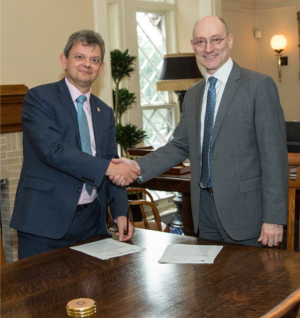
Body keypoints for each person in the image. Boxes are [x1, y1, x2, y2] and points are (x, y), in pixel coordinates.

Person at [111, 16, 288, 247]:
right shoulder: (194, 94)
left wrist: (273, 218)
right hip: (204, 212)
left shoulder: (258, 86)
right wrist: (136, 167)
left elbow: (274, 157)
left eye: (216, 40)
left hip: (247, 215)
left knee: (250, 283)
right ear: (193, 45)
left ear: (230, 41)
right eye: (201, 42)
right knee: (211, 282)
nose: (208, 48)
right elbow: (180, 145)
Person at [10, 30, 139, 259]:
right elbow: (53, 151)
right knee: (42, 294)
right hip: (44, 224)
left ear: (100, 68)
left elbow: (111, 159)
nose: (86, 64)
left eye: (94, 60)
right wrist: (111, 168)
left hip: (91, 223)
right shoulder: (39, 98)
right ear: (64, 61)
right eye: (80, 57)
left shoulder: (104, 111)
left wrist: (120, 212)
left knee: (92, 294)